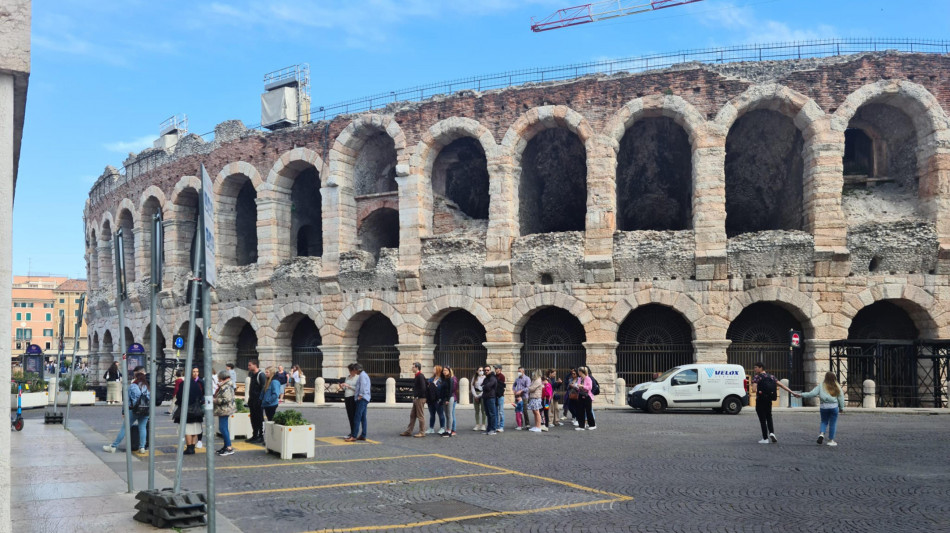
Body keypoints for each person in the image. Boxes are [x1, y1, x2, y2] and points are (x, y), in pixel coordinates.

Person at [102, 369, 149, 455]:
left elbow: (126, 400)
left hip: (133, 410)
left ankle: (113, 446)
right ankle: (142, 447)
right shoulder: (147, 387)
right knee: (143, 428)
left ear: (135, 378)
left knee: (125, 428)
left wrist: (124, 411)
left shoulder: (132, 386)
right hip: (146, 410)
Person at [751, 362, 795, 444]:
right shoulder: (771, 377)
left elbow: (753, 390)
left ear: (761, 368)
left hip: (760, 400)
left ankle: (765, 438)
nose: (755, 369)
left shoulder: (757, 377)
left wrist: (761, 392)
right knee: (769, 417)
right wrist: (792, 392)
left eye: (756, 367)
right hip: (769, 400)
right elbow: (782, 385)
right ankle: (772, 433)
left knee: (762, 420)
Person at [799, 372, 846, 447]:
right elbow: (841, 397)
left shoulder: (821, 385)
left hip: (824, 406)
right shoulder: (837, 385)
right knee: (833, 423)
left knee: (824, 421)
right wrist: (841, 407)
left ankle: (821, 434)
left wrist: (801, 395)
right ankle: (831, 440)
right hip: (834, 406)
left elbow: (812, 393)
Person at [175, 367, 204, 455]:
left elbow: (179, 396)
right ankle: (192, 447)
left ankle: (189, 448)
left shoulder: (183, 384)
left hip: (186, 409)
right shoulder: (196, 384)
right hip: (196, 409)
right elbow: (200, 395)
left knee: (187, 429)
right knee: (195, 429)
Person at [346, 363, 371, 442]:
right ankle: (363, 435)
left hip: (362, 398)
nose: (354, 372)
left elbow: (363, 386)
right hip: (365, 398)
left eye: (354, 370)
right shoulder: (364, 375)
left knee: (357, 417)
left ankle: (353, 436)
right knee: (363, 418)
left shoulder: (362, 376)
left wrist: (360, 395)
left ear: (357, 370)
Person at [213, 370, 236, 456]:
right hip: (223, 409)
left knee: (223, 428)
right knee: (223, 428)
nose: (218, 379)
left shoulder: (226, 386)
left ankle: (229, 447)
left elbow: (227, 399)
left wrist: (215, 400)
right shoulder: (225, 385)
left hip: (224, 409)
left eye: (219, 377)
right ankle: (226, 446)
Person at [401, 362, 427, 437]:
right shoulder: (417, 376)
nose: (412, 368)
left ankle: (422, 432)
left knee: (420, 415)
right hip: (417, 398)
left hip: (420, 398)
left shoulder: (420, 376)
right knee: (412, 415)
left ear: (417, 368)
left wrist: (418, 396)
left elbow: (423, 388)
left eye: (413, 367)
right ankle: (409, 431)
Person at [246, 360, 267, 444]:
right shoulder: (251, 375)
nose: (248, 367)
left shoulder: (261, 375)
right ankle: (254, 435)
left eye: (250, 365)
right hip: (252, 401)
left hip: (258, 401)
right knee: (253, 419)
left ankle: (261, 436)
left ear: (255, 365)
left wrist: (260, 400)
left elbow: (263, 388)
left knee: (259, 419)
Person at [571, 367, 596, 431]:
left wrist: (582, 386)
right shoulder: (580, 379)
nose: (578, 373)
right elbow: (578, 387)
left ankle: (592, 425)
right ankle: (581, 426)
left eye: (579, 372)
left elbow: (590, 387)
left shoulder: (588, 378)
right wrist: (576, 386)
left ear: (581, 372)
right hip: (581, 395)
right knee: (580, 411)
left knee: (588, 411)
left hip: (587, 396)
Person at [340, 364, 360, 439]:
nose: (350, 372)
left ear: (354, 370)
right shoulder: (347, 377)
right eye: (349, 370)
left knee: (353, 415)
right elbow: (345, 388)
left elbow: (357, 388)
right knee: (349, 416)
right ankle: (352, 432)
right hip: (347, 397)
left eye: (351, 370)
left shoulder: (357, 378)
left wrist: (348, 386)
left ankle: (354, 433)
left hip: (353, 397)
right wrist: (342, 387)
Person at [426, 365, 445, 434]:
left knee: (440, 414)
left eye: (434, 369)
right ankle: (431, 428)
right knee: (432, 414)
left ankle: (442, 428)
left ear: (438, 370)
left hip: (438, 399)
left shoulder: (442, 380)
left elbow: (442, 389)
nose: (433, 370)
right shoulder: (431, 379)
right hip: (431, 399)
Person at [481, 365, 498, 435]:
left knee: (492, 414)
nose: (486, 371)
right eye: (485, 370)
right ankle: (488, 429)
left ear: (490, 370)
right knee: (488, 414)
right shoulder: (486, 378)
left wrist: (484, 386)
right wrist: (485, 386)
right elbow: (482, 386)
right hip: (485, 397)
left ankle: (493, 429)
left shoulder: (493, 378)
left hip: (491, 397)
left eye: (488, 370)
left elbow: (488, 386)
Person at [439, 366, 455, 438]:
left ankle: (449, 430)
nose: (444, 371)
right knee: (446, 415)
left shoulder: (450, 379)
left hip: (449, 398)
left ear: (449, 371)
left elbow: (450, 390)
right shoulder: (443, 379)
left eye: (446, 370)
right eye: (443, 370)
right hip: (444, 398)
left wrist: (447, 400)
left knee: (449, 414)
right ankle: (447, 429)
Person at [494, 364, 506, 432]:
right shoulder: (495, 376)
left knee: (501, 412)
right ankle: (496, 425)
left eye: (496, 368)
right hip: (495, 396)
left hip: (500, 396)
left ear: (500, 369)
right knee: (495, 412)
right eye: (495, 368)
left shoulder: (502, 376)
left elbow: (500, 386)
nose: (495, 369)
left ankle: (501, 426)